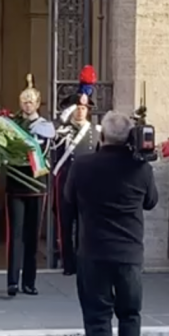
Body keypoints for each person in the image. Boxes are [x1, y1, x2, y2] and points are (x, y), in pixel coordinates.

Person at [65, 111, 158, 336]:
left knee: (97, 318)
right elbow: (151, 202)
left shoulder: (82, 166)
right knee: (130, 314)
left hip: (93, 252)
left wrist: (69, 255)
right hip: (129, 253)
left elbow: (68, 202)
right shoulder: (141, 168)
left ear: (102, 135)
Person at [5, 74, 55, 297]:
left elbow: (43, 152)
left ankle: (29, 281)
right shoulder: (12, 124)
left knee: (32, 236)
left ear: (37, 103)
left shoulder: (45, 127)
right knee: (15, 235)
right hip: (15, 183)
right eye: (24, 101)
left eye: (31, 101)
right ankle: (13, 281)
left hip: (36, 185)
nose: (27, 105)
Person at [54, 65, 101, 275]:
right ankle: (68, 262)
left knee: (85, 225)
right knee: (65, 223)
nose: (81, 110)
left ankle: (84, 261)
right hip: (66, 180)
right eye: (78, 107)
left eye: (84, 108)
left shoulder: (96, 132)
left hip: (87, 184)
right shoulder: (62, 130)